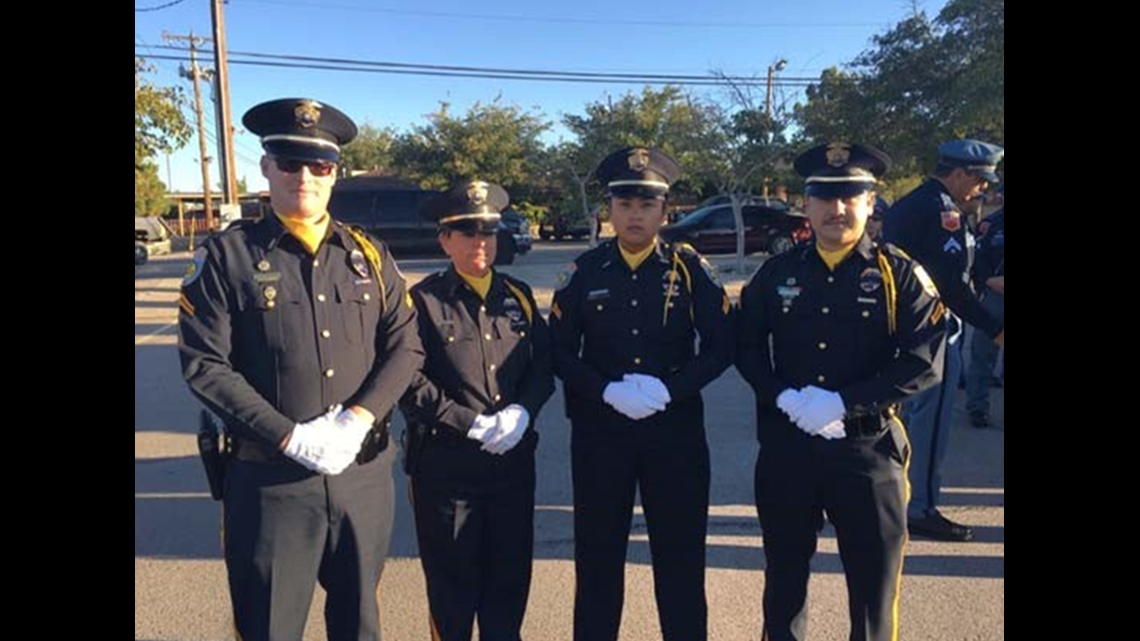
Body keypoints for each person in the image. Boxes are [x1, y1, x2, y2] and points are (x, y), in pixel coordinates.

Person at [178, 97, 424, 641]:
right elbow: (205, 365)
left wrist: (359, 418)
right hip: (271, 480)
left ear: (334, 173)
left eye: (319, 166)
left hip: (361, 476)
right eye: (289, 162)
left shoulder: (369, 254)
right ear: (265, 166)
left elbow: (405, 346)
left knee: (360, 622)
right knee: (270, 627)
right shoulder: (226, 256)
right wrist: (288, 436)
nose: (304, 177)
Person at [738, 142, 946, 641]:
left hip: (867, 452)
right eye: (825, 197)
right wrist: (781, 396)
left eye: (850, 196)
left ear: (871, 203)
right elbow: (744, 345)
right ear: (806, 206)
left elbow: (925, 358)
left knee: (874, 593)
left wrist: (845, 402)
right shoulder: (777, 273)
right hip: (789, 449)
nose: (837, 209)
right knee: (783, 582)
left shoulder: (900, 275)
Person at [549, 146, 734, 640]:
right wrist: (605, 390)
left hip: (673, 435)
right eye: (625, 204)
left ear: (663, 211)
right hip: (600, 434)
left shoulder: (690, 268)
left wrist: (671, 390)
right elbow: (559, 352)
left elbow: (721, 346)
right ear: (608, 210)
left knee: (680, 559)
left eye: (647, 205)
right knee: (597, 560)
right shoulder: (584, 271)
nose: (635, 215)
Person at [400, 180, 555, 640]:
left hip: (511, 464)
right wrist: (468, 424)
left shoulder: (519, 296)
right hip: (446, 469)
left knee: (509, 583)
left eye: (487, 232)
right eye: (467, 233)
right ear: (445, 239)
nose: (480, 243)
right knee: (451, 590)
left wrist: (524, 412)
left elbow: (543, 366)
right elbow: (408, 382)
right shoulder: (422, 302)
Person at [882, 138, 1004, 541]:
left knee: (904, 418)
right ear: (957, 174)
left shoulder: (918, 203)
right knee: (930, 422)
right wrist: (994, 326)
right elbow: (951, 286)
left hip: (908, 327)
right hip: (932, 329)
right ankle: (919, 508)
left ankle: (896, 498)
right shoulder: (941, 212)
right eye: (979, 181)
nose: (982, 189)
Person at [965, 185, 1005, 428]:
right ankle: (977, 408)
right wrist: (988, 280)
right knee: (983, 353)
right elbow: (976, 259)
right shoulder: (990, 225)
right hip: (996, 296)